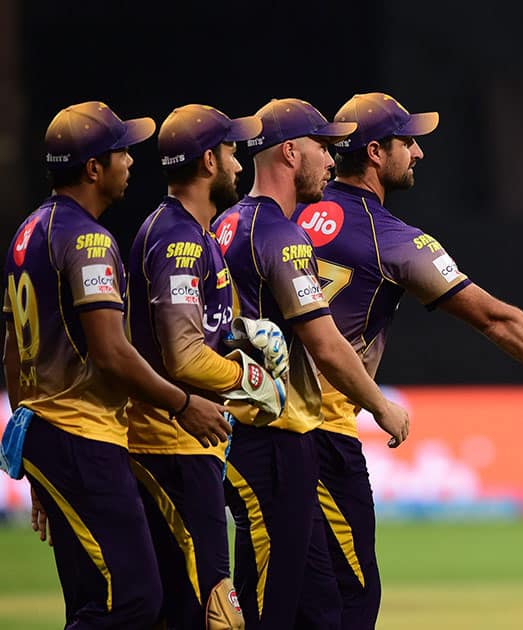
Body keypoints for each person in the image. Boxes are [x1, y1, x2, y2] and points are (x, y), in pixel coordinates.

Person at [292, 91, 523, 629]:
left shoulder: (284, 218)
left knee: (280, 596)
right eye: (407, 141)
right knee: (348, 604)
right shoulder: (392, 239)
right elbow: (495, 320)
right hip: (321, 434)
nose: (418, 153)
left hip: (257, 427)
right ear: (373, 152)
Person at [0, 101, 231, 627]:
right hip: (82, 437)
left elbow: (12, 351)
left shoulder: (27, 233)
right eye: (121, 151)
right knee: (130, 601)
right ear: (93, 169)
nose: (131, 161)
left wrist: (33, 452)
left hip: (48, 434)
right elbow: (111, 352)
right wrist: (184, 402)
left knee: (93, 601)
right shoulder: (89, 240)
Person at [212, 97, 411, 630]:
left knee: (313, 605)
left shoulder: (225, 226)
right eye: (323, 147)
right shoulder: (281, 234)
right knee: (285, 604)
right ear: (291, 152)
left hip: (242, 432)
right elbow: (324, 343)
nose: (331, 158)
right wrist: (381, 406)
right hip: (278, 436)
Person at [125, 104, 288, 629]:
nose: (239, 166)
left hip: (186, 447)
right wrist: (249, 379)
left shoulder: (193, 233)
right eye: (232, 153)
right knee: (213, 613)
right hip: (171, 448)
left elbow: (198, 334)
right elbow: (182, 354)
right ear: (208, 162)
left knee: (184, 609)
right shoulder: (178, 239)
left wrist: (239, 338)